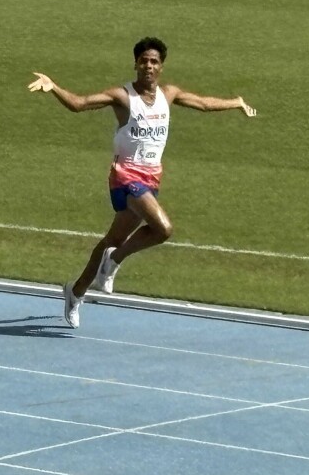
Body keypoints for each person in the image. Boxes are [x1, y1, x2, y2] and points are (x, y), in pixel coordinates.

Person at [28, 36, 256, 328]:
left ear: (161, 67)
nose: (148, 66)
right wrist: (53, 87)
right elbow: (79, 104)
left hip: (151, 177)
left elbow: (203, 104)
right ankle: (114, 261)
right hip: (126, 177)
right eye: (144, 61)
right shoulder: (122, 97)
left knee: (112, 240)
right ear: (136, 64)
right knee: (163, 229)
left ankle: (75, 292)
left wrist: (235, 102)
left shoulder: (168, 94)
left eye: (154, 61)